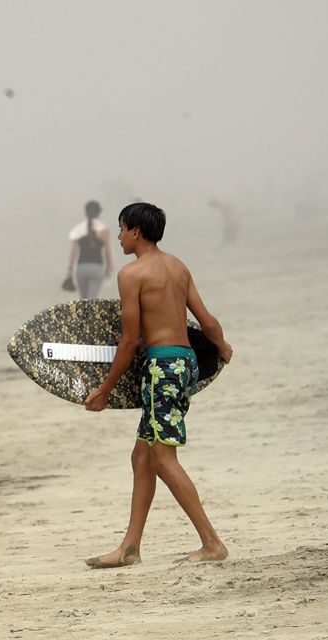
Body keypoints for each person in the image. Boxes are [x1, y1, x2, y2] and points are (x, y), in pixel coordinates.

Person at [83, 203, 233, 568]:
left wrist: (105, 389)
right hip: (184, 365)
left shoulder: (132, 274)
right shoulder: (178, 267)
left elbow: (130, 340)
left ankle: (212, 543)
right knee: (142, 457)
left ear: (136, 230)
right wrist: (223, 348)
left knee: (163, 461)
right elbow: (206, 321)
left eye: (121, 229)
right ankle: (129, 548)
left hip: (161, 369)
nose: (118, 236)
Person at [65, 201, 114, 299]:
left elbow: (74, 252)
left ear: (86, 212)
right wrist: (109, 268)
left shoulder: (78, 229)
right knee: (92, 299)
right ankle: (91, 314)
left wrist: (70, 269)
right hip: (97, 268)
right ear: (98, 213)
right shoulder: (104, 229)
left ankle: (83, 314)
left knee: (84, 300)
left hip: (81, 268)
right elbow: (108, 251)